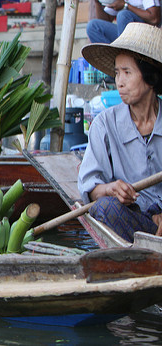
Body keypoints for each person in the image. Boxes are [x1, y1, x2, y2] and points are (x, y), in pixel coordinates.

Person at [78, 22, 162, 242]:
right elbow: (92, 189)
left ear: (150, 76)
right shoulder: (105, 124)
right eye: (117, 73)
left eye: (127, 72)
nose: (119, 82)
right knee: (105, 208)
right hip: (132, 221)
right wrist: (110, 189)